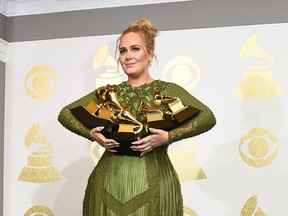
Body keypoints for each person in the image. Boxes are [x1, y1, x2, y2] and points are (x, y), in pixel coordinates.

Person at [58, 18, 216, 216]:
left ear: (149, 54)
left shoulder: (167, 91)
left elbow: (207, 117)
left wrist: (167, 137)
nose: (127, 56)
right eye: (123, 51)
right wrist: (92, 134)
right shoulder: (108, 93)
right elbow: (65, 114)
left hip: (156, 182)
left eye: (135, 49)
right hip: (108, 182)